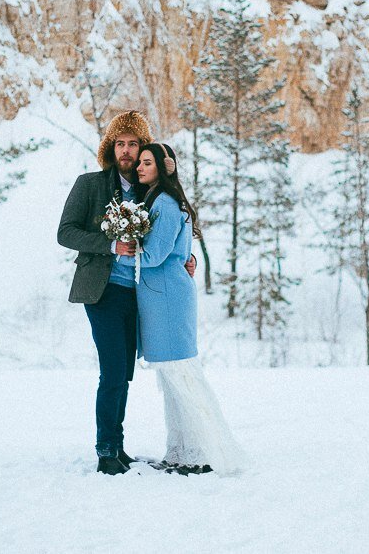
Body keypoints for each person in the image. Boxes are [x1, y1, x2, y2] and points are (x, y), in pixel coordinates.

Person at [56, 111, 195, 475]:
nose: (128, 151)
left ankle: (118, 448)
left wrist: (186, 256)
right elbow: (66, 233)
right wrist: (111, 244)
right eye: (121, 143)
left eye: (134, 144)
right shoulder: (89, 185)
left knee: (125, 374)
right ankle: (106, 450)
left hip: (139, 296)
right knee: (114, 371)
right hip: (101, 292)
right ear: (111, 148)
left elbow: (166, 233)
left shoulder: (150, 191)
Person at [118, 143, 248, 475]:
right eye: (140, 163)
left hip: (167, 299)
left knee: (181, 377)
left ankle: (202, 452)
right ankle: (180, 451)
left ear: (165, 167)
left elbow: (155, 255)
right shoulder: (160, 200)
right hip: (163, 296)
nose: (140, 168)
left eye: (148, 163)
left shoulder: (164, 203)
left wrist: (122, 249)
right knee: (173, 379)